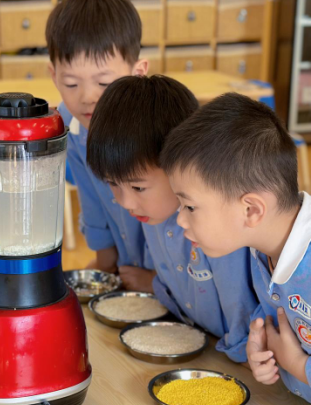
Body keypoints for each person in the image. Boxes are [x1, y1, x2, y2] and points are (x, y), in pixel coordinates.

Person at [86, 76, 258, 362]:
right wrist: (155, 284)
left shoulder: (216, 224)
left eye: (138, 187)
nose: (125, 202)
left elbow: (241, 308)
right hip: (203, 344)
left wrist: (242, 356)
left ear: (180, 163)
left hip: (240, 358)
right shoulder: (154, 213)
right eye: (112, 183)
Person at [161, 93, 311, 401]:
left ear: (251, 210)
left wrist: (297, 364)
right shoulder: (263, 246)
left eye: (190, 207)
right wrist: (264, 348)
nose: (180, 220)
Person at [46, 0, 153, 289]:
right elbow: (92, 202)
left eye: (104, 83)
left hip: (177, 277)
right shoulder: (73, 125)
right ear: (54, 76)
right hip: (128, 270)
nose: (87, 98)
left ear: (138, 73)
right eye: (71, 84)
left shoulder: (156, 131)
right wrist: (105, 264)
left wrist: (158, 281)